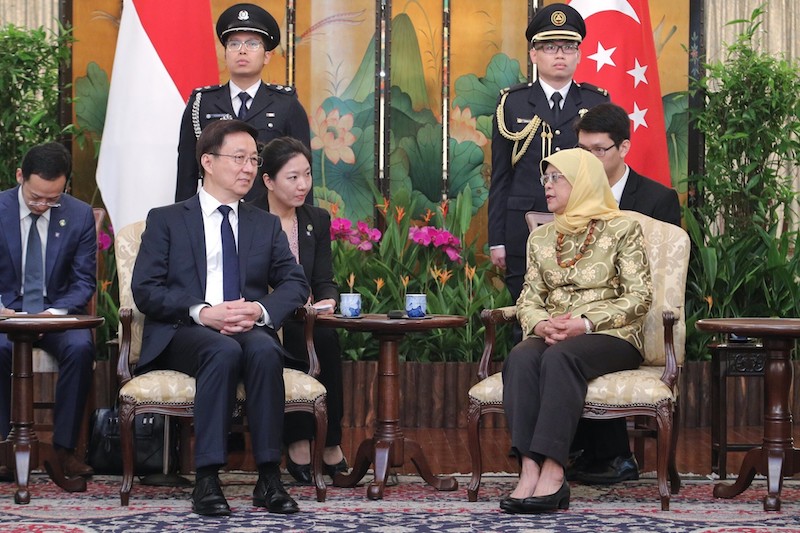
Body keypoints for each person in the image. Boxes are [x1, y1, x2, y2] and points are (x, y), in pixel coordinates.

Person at [132, 120, 309, 516]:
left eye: (253, 159)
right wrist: (202, 311)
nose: (249, 168)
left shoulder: (263, 224)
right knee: (221, 350)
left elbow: (295, 282)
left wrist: (260, 310)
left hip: (246, 327)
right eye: (239, 158)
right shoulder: (168, 219)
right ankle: (207, 477)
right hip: (186, 330)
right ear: (208, 162)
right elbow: (146, 289)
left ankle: (268, 477)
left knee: (265, 350)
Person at [500, 148, 652, 514]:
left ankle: (554, 471)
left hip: (613, 335)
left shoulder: (622, 229)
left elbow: (640, 296)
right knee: (521, 356)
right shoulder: (541, 238)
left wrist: (583, 324)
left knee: (561, 357)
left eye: (556, 178)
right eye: (545, 179)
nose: (547, 187)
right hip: (555, 331)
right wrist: (540, 323)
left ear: (582, 182)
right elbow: (528, 298)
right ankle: (529, 467)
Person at [567, 102, 682, 485]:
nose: (590, 159)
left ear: (624, 148)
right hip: (581, 313)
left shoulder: (657, 199)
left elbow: (664, 274)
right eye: (582, 150)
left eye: (599, 150)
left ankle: (611, 457)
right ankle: (571, 454)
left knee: (588, 345)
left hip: (634, 315)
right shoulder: (569, 195)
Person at [489, 3, 610, 304]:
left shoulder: (597, 103)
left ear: (579, 55)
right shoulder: (512, 104)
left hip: (583, 228)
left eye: (569, 47)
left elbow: (605, 174)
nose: (560, 54)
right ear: (534, 54)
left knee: (578, 310)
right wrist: (498, 239)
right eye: (550, 46)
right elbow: (501, 177)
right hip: (523, 230)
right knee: (525, 314)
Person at [249, 137, 348, 483]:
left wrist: (329, 300)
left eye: (307, 174)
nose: (303, 184)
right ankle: (296, 439)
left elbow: (325, 278)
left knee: (327, 336)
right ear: (268, 181)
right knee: (290, 336)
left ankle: (331, 440)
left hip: (310, 314)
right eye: (292, 177)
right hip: (267, 315)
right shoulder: (250, 217)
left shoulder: (315, 219)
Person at [0, 142, 96, 479]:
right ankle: (4, 450)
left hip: (57, 314)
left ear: (65, 186)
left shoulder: (80, 214)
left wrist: (53, 316)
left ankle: (63, 450)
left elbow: (84, 282)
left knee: (82, 348)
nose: (42, 205)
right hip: (7, 314)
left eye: (52, 199)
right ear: (19, 177)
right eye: (35, 197)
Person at [175, 3, 311, 203]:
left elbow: (302, 170)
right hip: (215, 215)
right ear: (225, 53)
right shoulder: (201, 103)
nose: (242, 51)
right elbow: (186, 173)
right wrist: (182, 223)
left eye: (252, 43)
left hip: (268, 217)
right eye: (234, 44)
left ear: (267, 56)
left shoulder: (287, 105)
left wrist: (302, 228)